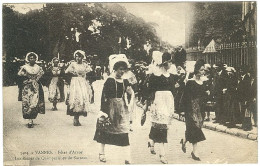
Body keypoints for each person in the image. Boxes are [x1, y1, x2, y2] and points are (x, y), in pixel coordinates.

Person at [93, 57, 134, 164]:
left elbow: (131, 92)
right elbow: (104, 96)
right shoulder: (110, 80)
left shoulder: (125, 81)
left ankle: (127, 157)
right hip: (109, 108)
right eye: (120, 69)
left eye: (124, 70)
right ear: (115, 68)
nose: (122, 72)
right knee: (105, 130)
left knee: (124, 131)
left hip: (121, 110)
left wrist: (130, 98)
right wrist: (103, 111)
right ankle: (101, 153)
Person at [147, 51, 177, 164]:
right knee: (162, 126)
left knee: (161, 125)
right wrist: (151, 103)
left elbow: (173, 90)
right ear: (165, 62)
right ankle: (162, 154)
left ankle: (151, 140)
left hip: (168, 102)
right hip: (159, 101)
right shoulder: (156, 75)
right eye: (170, 61)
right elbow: (150, 90)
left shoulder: (171, 76)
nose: (171, 64)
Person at [180, 59, 209, 161]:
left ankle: (184, 140)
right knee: (195, 129)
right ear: (196, 70)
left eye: (204, 70)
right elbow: (185, 97)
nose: (203, 72)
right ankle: (195, 152)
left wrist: (207, 94)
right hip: (191, 110)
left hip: (200, 110)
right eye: (201, 70)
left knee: (196, 129)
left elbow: (204, 96)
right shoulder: (190, 83)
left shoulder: (203, 82)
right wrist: (184, 111)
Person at [17, 52, 45, 128]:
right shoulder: (24, 67)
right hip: (27, 87)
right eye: (30, 58)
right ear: (28, 59)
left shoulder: (38, 67)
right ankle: (29, 119)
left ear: (36, 59)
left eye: (33, 58)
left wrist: (36, 80)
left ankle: (31, 118)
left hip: (35, 87)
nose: (32, 59)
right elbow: (19, 76)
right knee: (27, 102)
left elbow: (41, 75)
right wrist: (25, 80)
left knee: (34, 102)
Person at [65, 50, 93, 126]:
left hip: (82, 82)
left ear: (82, 57)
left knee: (82, 99)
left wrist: (86, 78)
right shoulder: (73, 64)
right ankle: (75, 118)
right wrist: (72, 75)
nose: (78, 58)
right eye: (76, 56)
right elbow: (66, 72)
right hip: (75, 82)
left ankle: (78, 118)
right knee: (75, 98)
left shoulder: (85, 65)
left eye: (79, 56)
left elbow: (90, 72)